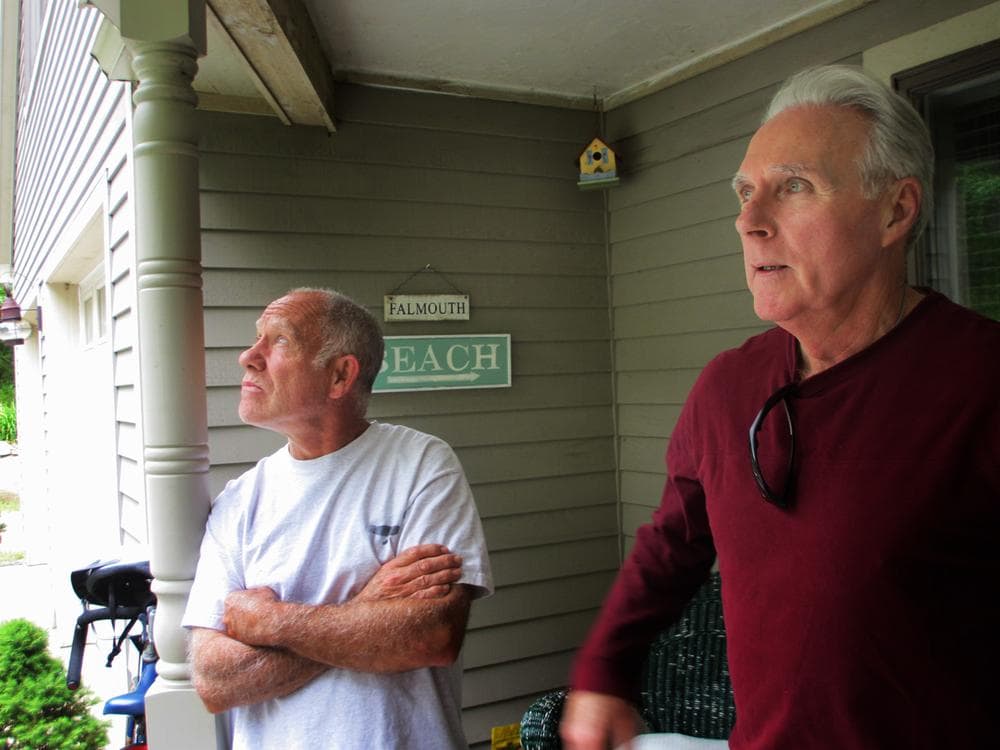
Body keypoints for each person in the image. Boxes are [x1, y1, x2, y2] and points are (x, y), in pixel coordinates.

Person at [561, 64, 1000, 750]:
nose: (748, 221)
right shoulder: (727, 386)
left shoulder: (980, 379)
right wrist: (603, 670)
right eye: (745, 192)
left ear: (897, 210)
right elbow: (671, 546)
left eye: (794, 187)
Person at [182, 288, 493, 749]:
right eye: (256, 339)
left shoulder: (420, 464)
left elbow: (431, 636)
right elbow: (216, 681)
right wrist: (365, 612)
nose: (250, 356)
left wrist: (269, 621)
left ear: (340, 375)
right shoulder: (240, 501)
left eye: (279, 340)